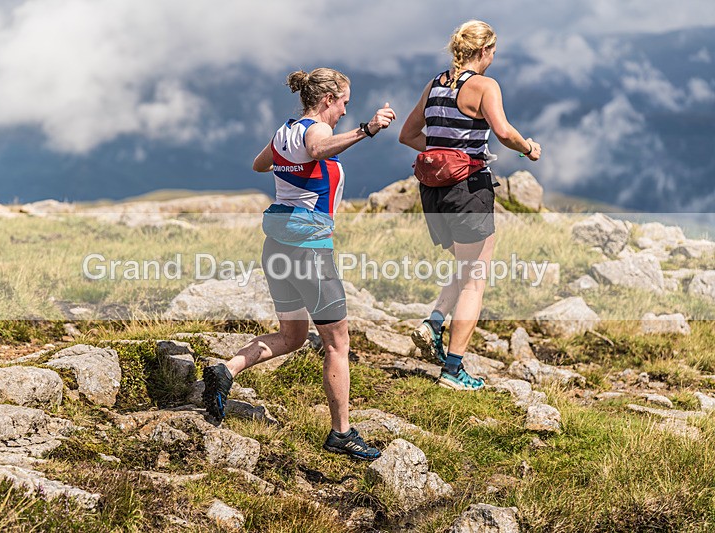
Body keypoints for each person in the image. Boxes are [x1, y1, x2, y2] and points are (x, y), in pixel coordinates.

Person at [203, 67, 396, 461]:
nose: (345, 110)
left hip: (277, 248)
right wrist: (368, 129)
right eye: (344, 102)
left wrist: (289, 163)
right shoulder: (318, 131)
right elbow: (319, 149)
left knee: (292, 336)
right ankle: (341, 433)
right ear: (328, 100)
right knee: (337, 343)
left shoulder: (284, 132)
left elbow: (260, 164)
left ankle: (227, 370)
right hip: (310, 252)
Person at [398, 20, 541, 391]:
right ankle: (453, 369)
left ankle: (433, 322)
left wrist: (442, 152)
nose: (494, 57)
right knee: (476, 279)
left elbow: (408, 135)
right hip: (468, 190)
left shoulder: (434, 84)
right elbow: (504, 132)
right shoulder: (484, 86)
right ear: (484, 51)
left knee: (466, 265)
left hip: (433, 191)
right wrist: (528, 148)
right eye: (493, 51)